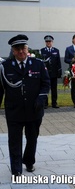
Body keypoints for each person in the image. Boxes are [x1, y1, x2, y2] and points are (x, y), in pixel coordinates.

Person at [0, 34, 50, 178]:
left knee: (32, 138)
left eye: (23, 48)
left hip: (34, 110)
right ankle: (16, 169)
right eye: (17, 49)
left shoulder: (38, 64)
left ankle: (29, 161)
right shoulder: (5, 67)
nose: (21, 51)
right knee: (14, 140)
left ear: (27, 49)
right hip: (14, 111)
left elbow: (45, 84)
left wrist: (41, 99)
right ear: (13, 50)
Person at [40, 35, 62, 109]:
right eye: (47, 41)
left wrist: (59, 72)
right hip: (45, 73)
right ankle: (45, 103)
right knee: (46, 88)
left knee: (54, 89)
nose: (48, 43)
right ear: (45, 42)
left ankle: (54, 103)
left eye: (50, 41)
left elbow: (58, 62)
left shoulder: (56, 50)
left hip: (54, 73)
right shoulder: (42, 51)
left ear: (52, 42)